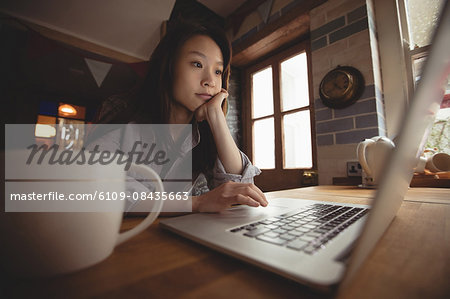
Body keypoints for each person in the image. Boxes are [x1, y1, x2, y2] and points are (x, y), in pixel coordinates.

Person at [88, 20, 267, 213]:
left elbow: (242, 193)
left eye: (218, 71)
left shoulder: (204, 136)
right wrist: (196, 203)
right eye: (197, 64)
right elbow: (100, 184)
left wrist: (217, 118)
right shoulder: (126, 120)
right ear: (169, 67)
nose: (210, 81)